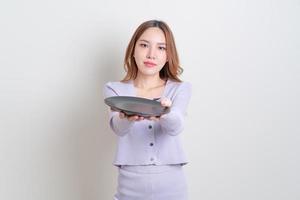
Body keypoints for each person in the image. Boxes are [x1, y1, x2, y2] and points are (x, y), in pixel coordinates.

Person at [103, 19, 192, 200]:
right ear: (133, 50)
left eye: (161, 48)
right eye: (144, 45)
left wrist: (165, 113)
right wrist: (126, 117)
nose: (151, 54)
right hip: (129, 189)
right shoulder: (115, 89)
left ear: (168, 55)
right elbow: (118, 128)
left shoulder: (179, 88)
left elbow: (176, 126)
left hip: (173, 189)